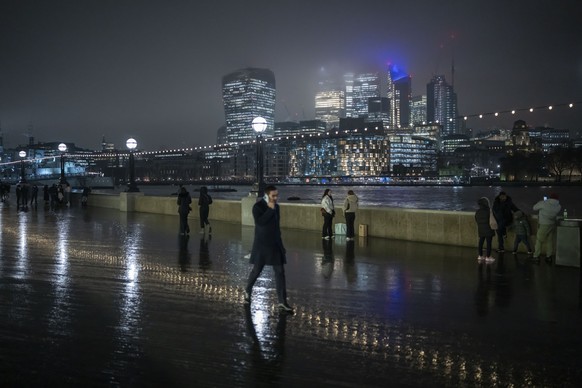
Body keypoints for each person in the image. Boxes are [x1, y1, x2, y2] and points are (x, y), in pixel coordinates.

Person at [244, 185, 293, 312]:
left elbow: (277, 228)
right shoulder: (258, 207)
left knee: (280, 272)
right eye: (273, 196)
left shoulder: (277, 207)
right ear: (267, 195)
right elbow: (260, 222)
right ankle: (247, 290)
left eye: (277, 195)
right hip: (261, 245)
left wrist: (281, 246)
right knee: (256, 271)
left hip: (275, 245)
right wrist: (270, 210)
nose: (276, 198)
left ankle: (282, 302)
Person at [532, 192, 561, 263]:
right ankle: (549, 257)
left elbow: (534, 208)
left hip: (543, 224)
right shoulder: (559, 206)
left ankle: (536, 256)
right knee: (550, 241)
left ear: (550, 197)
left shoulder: (543, 203)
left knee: (539, 240)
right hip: (552, 224)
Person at [475, 197, 495, 263]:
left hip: (481, 229)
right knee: (489, 243)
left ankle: (480, 256)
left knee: (481, 242)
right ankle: (488, 257)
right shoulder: (489, 210)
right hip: (488, 229)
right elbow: (492, 219)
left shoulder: (477, 212)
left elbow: (476, 220)